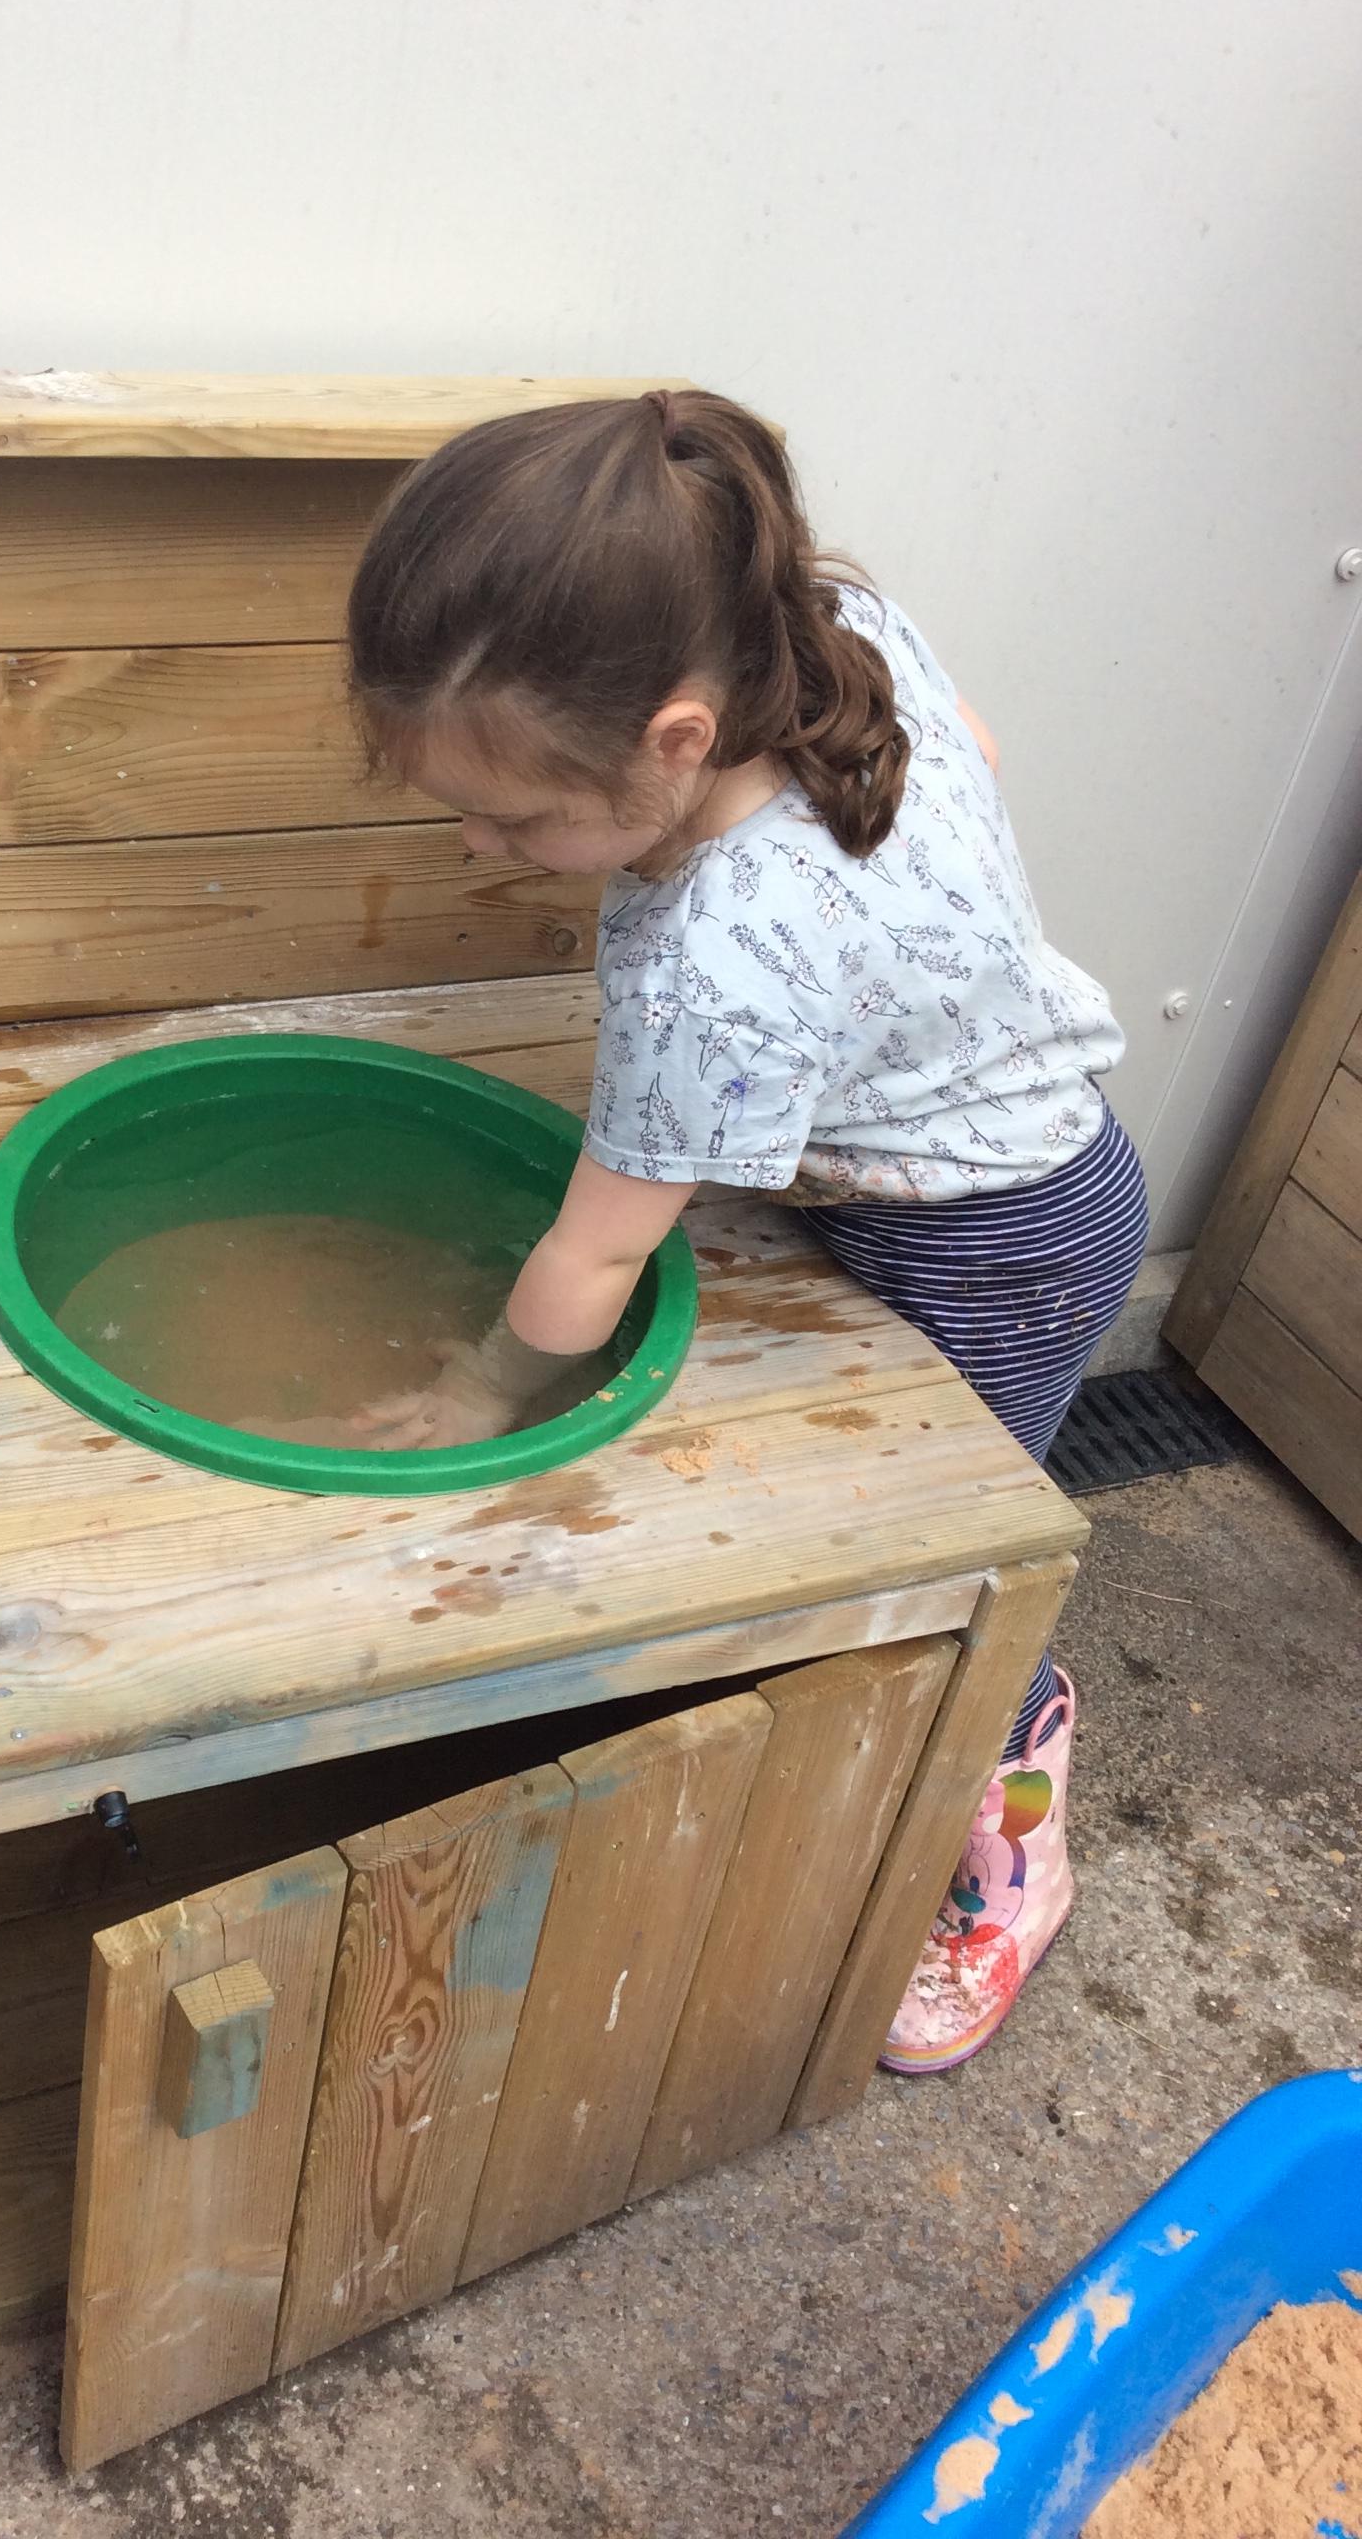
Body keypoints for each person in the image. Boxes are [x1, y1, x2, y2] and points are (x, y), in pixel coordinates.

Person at [344, 388, 1149, 2073]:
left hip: (996, 1244)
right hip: (1001, 1163)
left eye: (519, 819)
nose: (482, 847)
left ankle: (1011, 1824)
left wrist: (479, 1390)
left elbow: (594, 1259)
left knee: (949, 1580)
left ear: (677, 739)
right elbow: (979, 751)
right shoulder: (831, 629)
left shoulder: (716, 969)